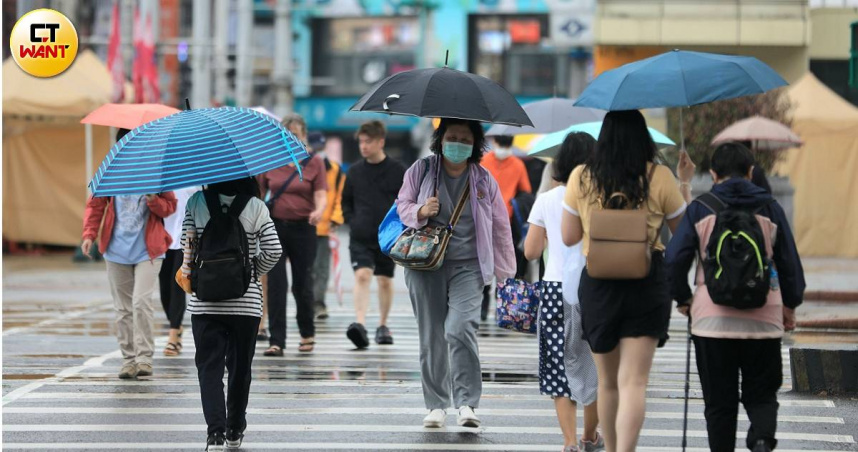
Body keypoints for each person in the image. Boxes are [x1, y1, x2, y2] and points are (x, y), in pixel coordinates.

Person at [560, 110, 694, 452]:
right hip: (647, 282)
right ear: (643, 139)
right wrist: (684, 184)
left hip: (599, 284)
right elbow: (683, 236)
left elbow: (569, 236)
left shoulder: (581, 177)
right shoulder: (659, 176)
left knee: (608, 383)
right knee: (635, 381)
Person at [666, 142, 805, 452]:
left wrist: (684, 299)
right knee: (763, 396)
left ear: (714, 174)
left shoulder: (701, 208)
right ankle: (760, 441)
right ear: (751, 172)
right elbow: (789, 262)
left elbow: (674, 260)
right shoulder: (770, 207)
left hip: (711, 322)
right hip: (764, 321)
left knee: (719, 405)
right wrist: (790, 305)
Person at [397, 117, 516, 429]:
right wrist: (420, 211)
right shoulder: (421, 170)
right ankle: (436, 405)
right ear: (441, 138)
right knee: (432, 335)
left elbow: (501, 227)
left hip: (469, 266)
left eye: (465, 138)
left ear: (475, 144)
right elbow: (402, 205)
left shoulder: (483, 179)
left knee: (459, 328)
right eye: (452, 136)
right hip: (426, 264)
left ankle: (466, 402)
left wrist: (505, 273)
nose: (458, 143)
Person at [178, 177, 282, 452]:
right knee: (239, 369)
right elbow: (274, 250)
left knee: (208, 369)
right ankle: (235, 429)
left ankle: (215, 433)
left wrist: (193, 277)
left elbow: (187, 248)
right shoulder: (256, 206)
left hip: (204, 303)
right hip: (245, 305)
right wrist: (249, 275)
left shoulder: (196, 203)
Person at [524, 132, 604, 452]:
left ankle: (569, 442)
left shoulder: (546, 199)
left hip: (555, 290)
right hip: (594, 289)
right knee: (593, 367)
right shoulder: (603, 196)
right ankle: (589, 437)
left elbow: (530, 251)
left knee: (559, 367)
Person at [81, 128, 177, 379]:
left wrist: (154, 200)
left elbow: (170, 206)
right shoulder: (110, 170)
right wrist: (89, 235)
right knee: (122, 308)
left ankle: (144, 357)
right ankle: (129, 359)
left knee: (140, 301)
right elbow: (95, 205)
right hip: (115, 250)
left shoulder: (156, 172)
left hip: (149, 249)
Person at [258, 113, 327, 355]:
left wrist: (319, 210)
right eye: (285, 135)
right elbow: (258, 194)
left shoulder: (314, 162)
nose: (290, 139)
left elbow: (321, 193)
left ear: (304, 136)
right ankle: (277, 340)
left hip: (304, 227)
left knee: (302, 284)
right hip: (275, 227)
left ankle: (307, 333)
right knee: (276, 284)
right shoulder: (269, 160)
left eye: (295, 135)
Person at [342, 120, 406, 347]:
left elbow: (405, 202)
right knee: (362, 275)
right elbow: (346, 202)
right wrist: (353, 221)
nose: (363, 146)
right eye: (361, 142)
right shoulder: (355, 171)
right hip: (360, 235)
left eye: (368, 142)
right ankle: (360, 324)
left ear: (381, 141)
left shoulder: (398, 171)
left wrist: (400, 228)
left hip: (388, 238)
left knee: (385, 281)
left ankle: (382, 324)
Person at [481, 135, 533, 319]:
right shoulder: (518, 164)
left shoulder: (483, 161)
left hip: (485, 221)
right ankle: (502, 310)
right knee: (505, 268)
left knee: (484, 264)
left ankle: (482, 309)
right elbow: (526, 191)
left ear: (494, 142)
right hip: (507, 222)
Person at [308, 131, 346, 320]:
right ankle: (307, 301)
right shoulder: (303, 168)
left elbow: (339, 197)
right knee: (307, 268)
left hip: (324, 227)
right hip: (304, 226)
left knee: (322, 268)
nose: (319, 152)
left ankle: (318, 302)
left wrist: (335, 219)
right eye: (315, 148)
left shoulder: (336, 170)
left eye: (321, 148)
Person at [159, 186, 199, 356]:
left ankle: (174, 333)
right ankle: (175, 324)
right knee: (164, 287)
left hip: (187, 237)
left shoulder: (198, 179)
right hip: (163, 237)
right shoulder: (164, 178)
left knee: (177, 285)